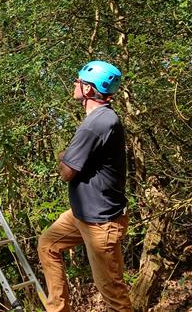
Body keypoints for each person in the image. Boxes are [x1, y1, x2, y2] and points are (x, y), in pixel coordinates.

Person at [37, 60, 131, 312]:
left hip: (100, 224)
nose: (74, 84)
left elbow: (67, 172)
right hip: (83, 216)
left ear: (88, 90)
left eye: (78, 81)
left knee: (113, 293)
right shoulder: (103, 118)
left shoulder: (95, 124)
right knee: (48, 244)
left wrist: (62, 156)